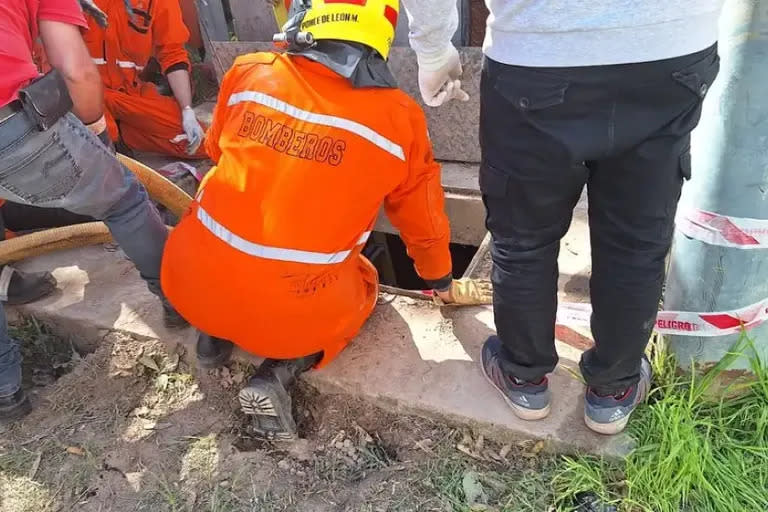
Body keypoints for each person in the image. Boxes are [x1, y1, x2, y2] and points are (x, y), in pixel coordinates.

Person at [161, 0, 491, 440]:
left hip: (185, 282)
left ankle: (213, 337)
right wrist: (442, 283)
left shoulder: (249, 71)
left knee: (227, 246)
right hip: (289, 316)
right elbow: (423, 223)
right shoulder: (398, 119)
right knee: (366, 280)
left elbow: (218, 151)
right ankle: (277, 372)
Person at [401, 0, 724, 434]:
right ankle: (615, 389)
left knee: (524, 238)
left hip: (538, 56)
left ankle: (524, 376)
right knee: (635, 242)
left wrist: (434, 47)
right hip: (673, 52)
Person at [0, 0, 186, 422]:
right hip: (9, 120)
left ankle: (5, 391)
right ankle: (179, 302)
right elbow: (78, 72)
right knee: (125, 200)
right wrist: (97, 138)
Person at [80, 0, 207, 158]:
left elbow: (173, 54)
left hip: (129, 94)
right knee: (100, 138)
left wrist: (186, 111)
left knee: (201, 143)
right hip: (83, 92)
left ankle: (123, 136)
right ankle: (111, 140)